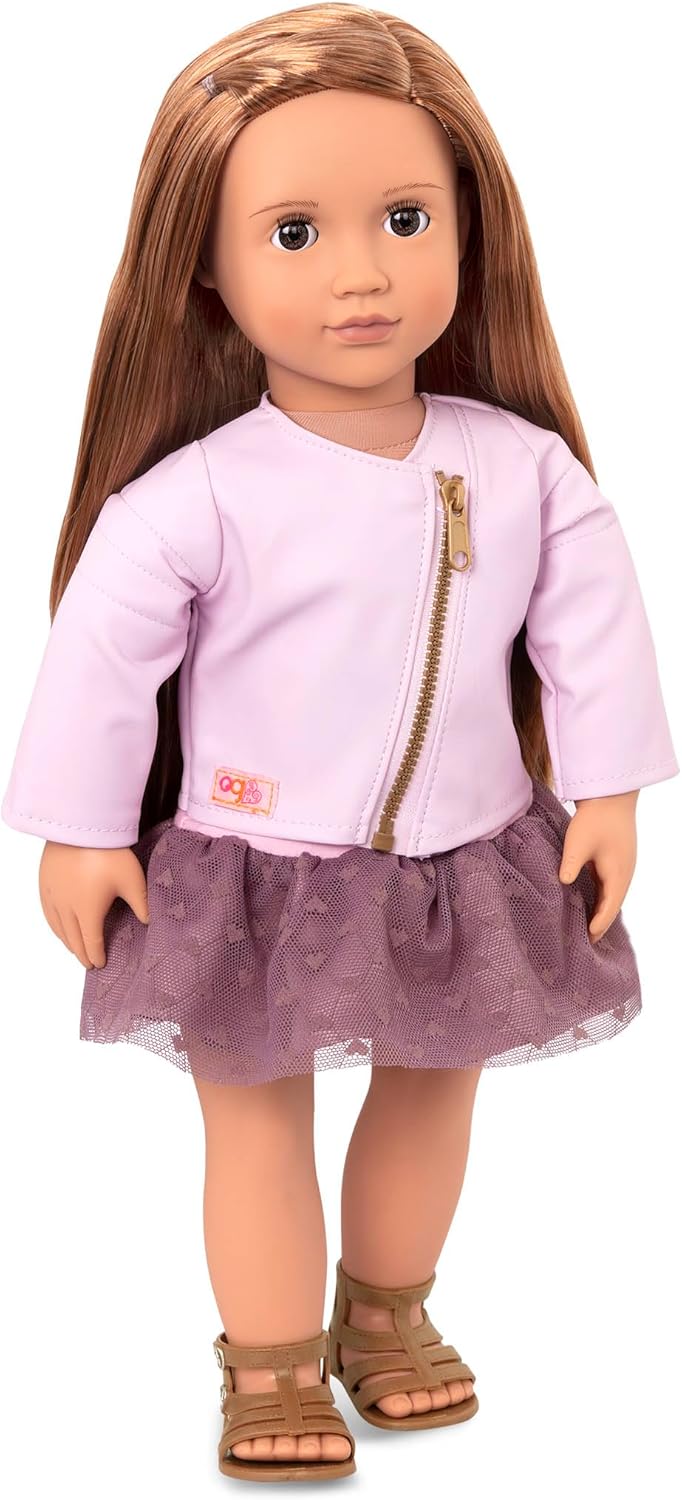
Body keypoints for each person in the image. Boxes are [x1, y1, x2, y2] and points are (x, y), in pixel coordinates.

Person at [2, 3, 678, 1483]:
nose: (362, 273)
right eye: (295, 233)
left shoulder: (521, 468)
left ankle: (388, 1316)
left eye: (405, 219)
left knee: (435, 1090)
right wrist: (82, 827)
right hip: (254, 863)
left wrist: (610, 789)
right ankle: (268, 1359)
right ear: (204, 264)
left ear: (470, 232)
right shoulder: (195, 496)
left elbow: (593, 629)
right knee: (254, 1123)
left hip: (462, 859)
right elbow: (102, 663)